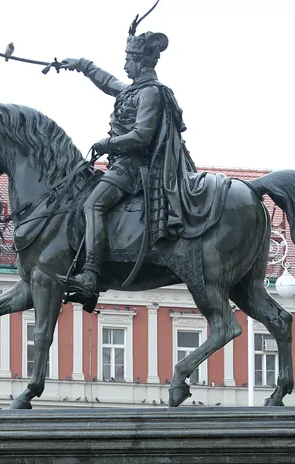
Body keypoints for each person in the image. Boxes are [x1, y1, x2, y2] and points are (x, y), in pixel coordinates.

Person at [59, 28, 193, 308]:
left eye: (128, 59)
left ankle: (91, 274)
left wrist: (108, 143)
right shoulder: (134, 90)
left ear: (140, 61)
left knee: (93, 205)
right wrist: (83, 65)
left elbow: (142, 136)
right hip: (122, 164)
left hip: (135, 166)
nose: (124, 65)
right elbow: (108, 82)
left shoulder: (151, 94)